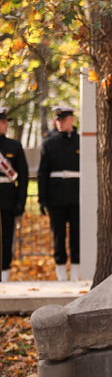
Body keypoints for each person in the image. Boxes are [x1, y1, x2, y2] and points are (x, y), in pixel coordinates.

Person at [37, 106, 81, 281]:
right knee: (59, 236)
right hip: (56, 197)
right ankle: (61, 273)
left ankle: (77, 272)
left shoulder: (81, 141)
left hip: (77, 196)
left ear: (71, 119)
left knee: (77, 234)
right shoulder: (49, 143)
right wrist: (42, 200)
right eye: (57, 120)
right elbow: (42, 173)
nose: (59, 123)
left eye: (63, 120)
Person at [0, 105, 28, 282]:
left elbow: (23, 177)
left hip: (7, 198)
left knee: (6, 238)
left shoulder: (14, 146)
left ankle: (5, 273)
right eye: (2, 122)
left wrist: (20, 202)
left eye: (5, 122)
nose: (5, 125)